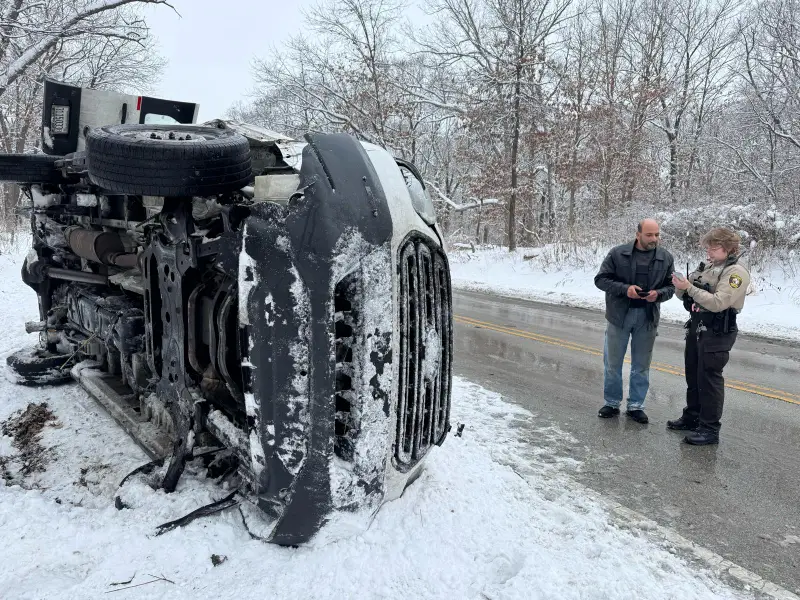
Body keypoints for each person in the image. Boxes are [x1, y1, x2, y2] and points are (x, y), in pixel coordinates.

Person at [669, 228, 750, 445]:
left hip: (718, 329)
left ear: (729, 248)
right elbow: (686, 293)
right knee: (693, 374)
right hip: (697, 325)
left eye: (714, 248)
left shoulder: (736, 273)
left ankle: (710, 428)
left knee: (709, 378)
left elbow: (718, 302)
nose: (709, 252)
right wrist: (681, 286)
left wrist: (690, 289)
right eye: (708, 247)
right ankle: (692, 416)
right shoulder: (707, 268)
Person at [594, 219, 675, 423]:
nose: (654, 239)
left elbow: (671, 288)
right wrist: (625, 289)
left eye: (657, 235)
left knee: (641, 365)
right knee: (612, 363)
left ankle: (636, 405)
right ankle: (612, 402)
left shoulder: (665, 258)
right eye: (649, 235)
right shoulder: (617, 253)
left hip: (647, 319)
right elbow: (601, 279)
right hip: (619, 316)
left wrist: (658, 294)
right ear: (638, 234)